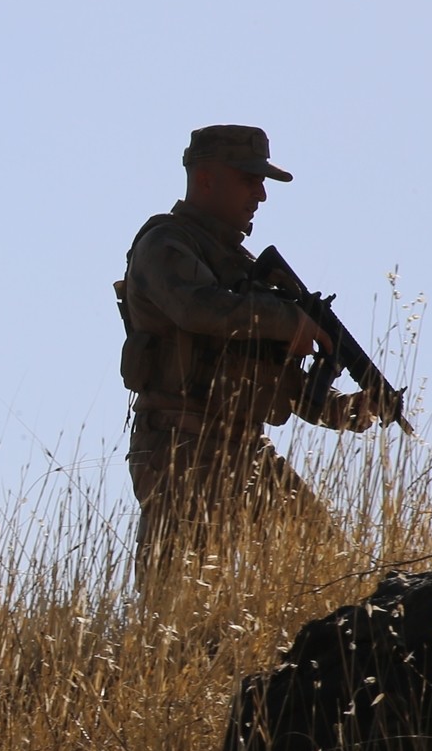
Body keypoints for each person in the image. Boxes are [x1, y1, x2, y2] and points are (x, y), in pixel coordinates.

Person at [117, 124, 381, 585]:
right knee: (173, 611)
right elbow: (196, 308)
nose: (260, 194)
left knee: (330, 567)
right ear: (206, 180)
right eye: (249, 179)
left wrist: (342, 410)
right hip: (182, 449)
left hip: (245, 451)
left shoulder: (239, 266)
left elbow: (263, 373)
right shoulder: (164, 244)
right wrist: (287, 320)